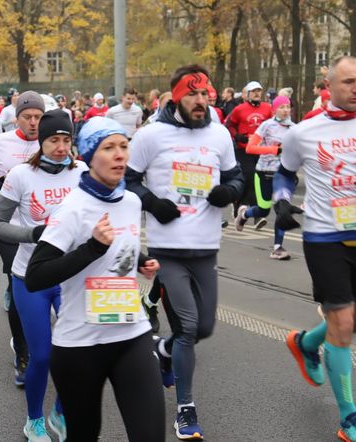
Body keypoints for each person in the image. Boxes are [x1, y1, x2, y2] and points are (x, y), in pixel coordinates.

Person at [25, 116, 164, 441]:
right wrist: (92, 248)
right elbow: (36, 275)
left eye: (124, 146)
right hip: (80, 345)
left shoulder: (131, 201)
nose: (119, 155)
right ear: (88, 155)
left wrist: (140, 262)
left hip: (132, 335)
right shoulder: (72, 208)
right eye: (108, 148)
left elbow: (118, 244)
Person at [127, 64, 244, 440]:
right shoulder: (150, 135)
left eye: (204, 93)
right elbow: (129, 180)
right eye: (192, 94)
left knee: (205, 327)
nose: (200, 100)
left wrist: (229, 192)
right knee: (190, 327)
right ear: (176, 95)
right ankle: (186, 409)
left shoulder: (220, 134)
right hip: (168, 248)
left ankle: (163, 350)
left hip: (206, 248)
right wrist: (152, 202)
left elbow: (235, 177)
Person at [0, 110, 86, 441]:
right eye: (53, 140)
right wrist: (34, 234)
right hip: (31, 276)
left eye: (66, 140)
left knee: (77, 352)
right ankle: (34, 420)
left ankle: (60, 409)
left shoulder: (83, 173)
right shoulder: (21, 175)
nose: (60, 147)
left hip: (72, 277)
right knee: (42, 355)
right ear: (40, 142)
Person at [276, 56, 356, 442]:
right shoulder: (303, 132)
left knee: (350, 320)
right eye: (349, 81)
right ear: (329, 83)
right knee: (343, 326)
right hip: (325, 237)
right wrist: (280, 200)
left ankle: (306, 343)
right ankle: (349, 418)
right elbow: (286, 171)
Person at [0, 91, 45, 386]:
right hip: (9, 227)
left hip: (42, 227)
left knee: (41, 284)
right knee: (19, 283)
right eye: (27, 117)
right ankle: (23, 353)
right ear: (16, 118)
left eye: (38, 117)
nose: (33, 122)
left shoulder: (50, 143)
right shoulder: (2, 141)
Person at [234, 96, 294, 259]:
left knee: (283, 209)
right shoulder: (266, 126)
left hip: (284, 174)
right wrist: (274, 150)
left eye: (288, 107)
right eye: (282, 107)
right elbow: (250, 148)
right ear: (274, 110)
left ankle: (277, 247)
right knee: (264, 210)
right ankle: (244, 214)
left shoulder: (294, 129)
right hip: (264, 172)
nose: (286, 110)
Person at [226, 81, 272, 217]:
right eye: (254, 91)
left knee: (258, 179)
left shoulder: (267, 108)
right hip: (244, 150)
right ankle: (256, 212)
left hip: (261, 150)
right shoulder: (239, 109)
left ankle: (239, 203)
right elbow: (229, 125)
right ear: (248, 94)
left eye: (259, 91)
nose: (257, 93)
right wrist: (238, 136)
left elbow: (273, 125)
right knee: (251, 177)